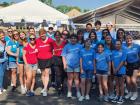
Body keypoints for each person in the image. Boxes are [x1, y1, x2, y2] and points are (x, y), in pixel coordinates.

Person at [36, 28, 54, 96]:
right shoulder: (37, 40)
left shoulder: (50, 40)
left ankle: (45, 88)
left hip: (48, 59)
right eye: (41, 34)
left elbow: (54, 47)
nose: (42, 35)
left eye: (43, 34)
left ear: (45, 33)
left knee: (47, 73)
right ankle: (44, 86)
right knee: (43, 73)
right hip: (40, 59)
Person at [124, 35, 140, 101]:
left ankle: (135, 93)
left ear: (132, 39)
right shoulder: (123, 46)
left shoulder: (137, 46)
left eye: (130, 38)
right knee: (128, 81)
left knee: (133, 80)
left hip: (136, 64)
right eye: (127, 38)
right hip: (127, 65)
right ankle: (130, 92)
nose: (128, 39)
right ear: (125, 40)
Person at [0, 30, 7, 94]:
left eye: (3, 35)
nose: (3, 37)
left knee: (4, 74)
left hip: (5, 60)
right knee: (1, 75)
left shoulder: (5, 42)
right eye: (1, 35)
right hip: (0, 61)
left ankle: (2, 87)